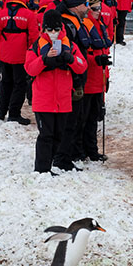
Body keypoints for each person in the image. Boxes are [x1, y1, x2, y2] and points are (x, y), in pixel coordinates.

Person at [25, 10, 87, 174]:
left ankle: (53, 162)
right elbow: (30, 69)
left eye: (56, 30)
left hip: (63, 99)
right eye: (49, 30)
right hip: (44, 99)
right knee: (46, 135)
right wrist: (44, 59)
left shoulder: (70, 46)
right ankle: (42, 169)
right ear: (43, 29)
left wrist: (70, 59)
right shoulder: (37, 46)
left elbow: (82, 65)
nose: (53, 33)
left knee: (59, 134)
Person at [0, 0, 40, 125]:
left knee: (5, 82)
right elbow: (34, 38)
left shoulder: (2, 13)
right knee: (20, 84)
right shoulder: (29, 14)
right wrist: (35, 54)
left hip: (4, 55)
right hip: (20, 56)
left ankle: (1, 111)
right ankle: (14, 113)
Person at [53, 0, 91, 171]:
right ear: (76, 6)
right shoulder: (67, 25)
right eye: (86, 4)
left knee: (74, 118)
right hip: (70, 78)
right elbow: (63, 53)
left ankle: (67, 154)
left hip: (75, 75)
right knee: (69, 120)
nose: (88, 8)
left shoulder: (72, 22)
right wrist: (75, 78)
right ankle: (62, 158)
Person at [76, 0, 113, 161]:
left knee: (93, 117)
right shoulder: (85, 25)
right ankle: (81, 151)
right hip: (90, 77)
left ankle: (92, 150)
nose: (99, 11)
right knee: (83, 118)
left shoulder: (99, 24)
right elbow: (84, 54)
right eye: (95, 8)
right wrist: (97, 60)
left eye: (100, 8)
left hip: (99, 76)